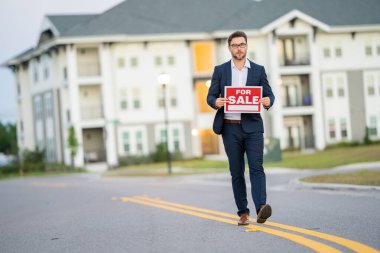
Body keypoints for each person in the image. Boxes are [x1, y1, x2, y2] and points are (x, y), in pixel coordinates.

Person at [207, 31, 275, 225]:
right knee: (236, 171)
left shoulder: (258, 70)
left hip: (253, 127)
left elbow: (269, 95)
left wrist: (269, 100)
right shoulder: (220, 70)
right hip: (230, 129)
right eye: (235, 45)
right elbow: (210, 97)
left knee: (256, 167)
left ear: (246, 46)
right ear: (229, 48)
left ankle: (261, 208)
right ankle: (243, 213)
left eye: (242, 44)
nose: (239, 48)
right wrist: (216, 101)